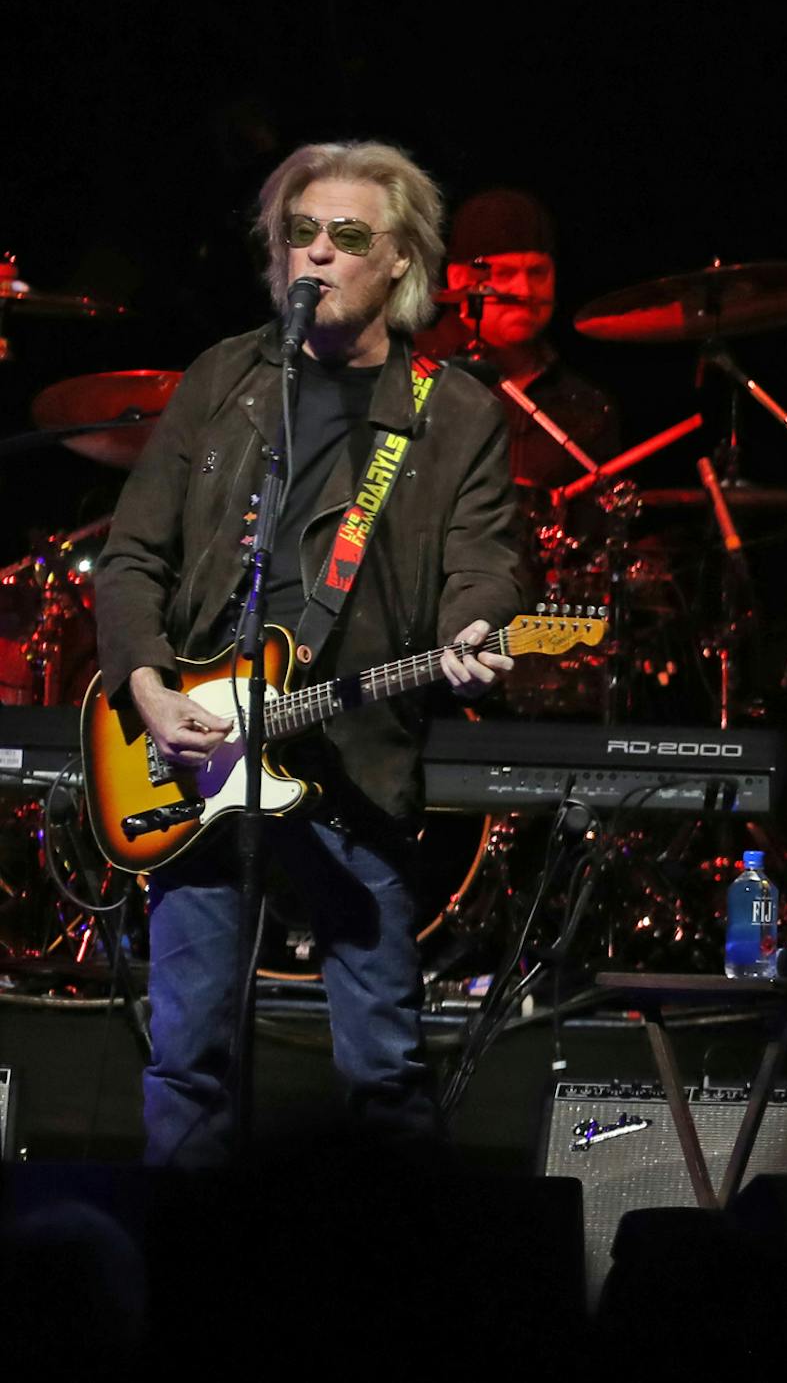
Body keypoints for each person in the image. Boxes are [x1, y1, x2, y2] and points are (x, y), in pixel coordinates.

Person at [95, 140, 525, 1165]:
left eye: (347, 237)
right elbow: (130, 557)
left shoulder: (453, 410)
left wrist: (476, 622)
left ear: (401, 264)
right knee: (187, 1051)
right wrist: (149, 688)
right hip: (198, 754)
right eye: (300, 234)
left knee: (381, 1063)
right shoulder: (226, 378)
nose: (317, 255)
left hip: (354, 757)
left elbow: (484, 561)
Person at [426, 187, 620, 489]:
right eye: (504, 273)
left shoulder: (587, 407)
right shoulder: (407, 369)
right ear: (458, 278)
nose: (525, 291)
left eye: (537, 272)